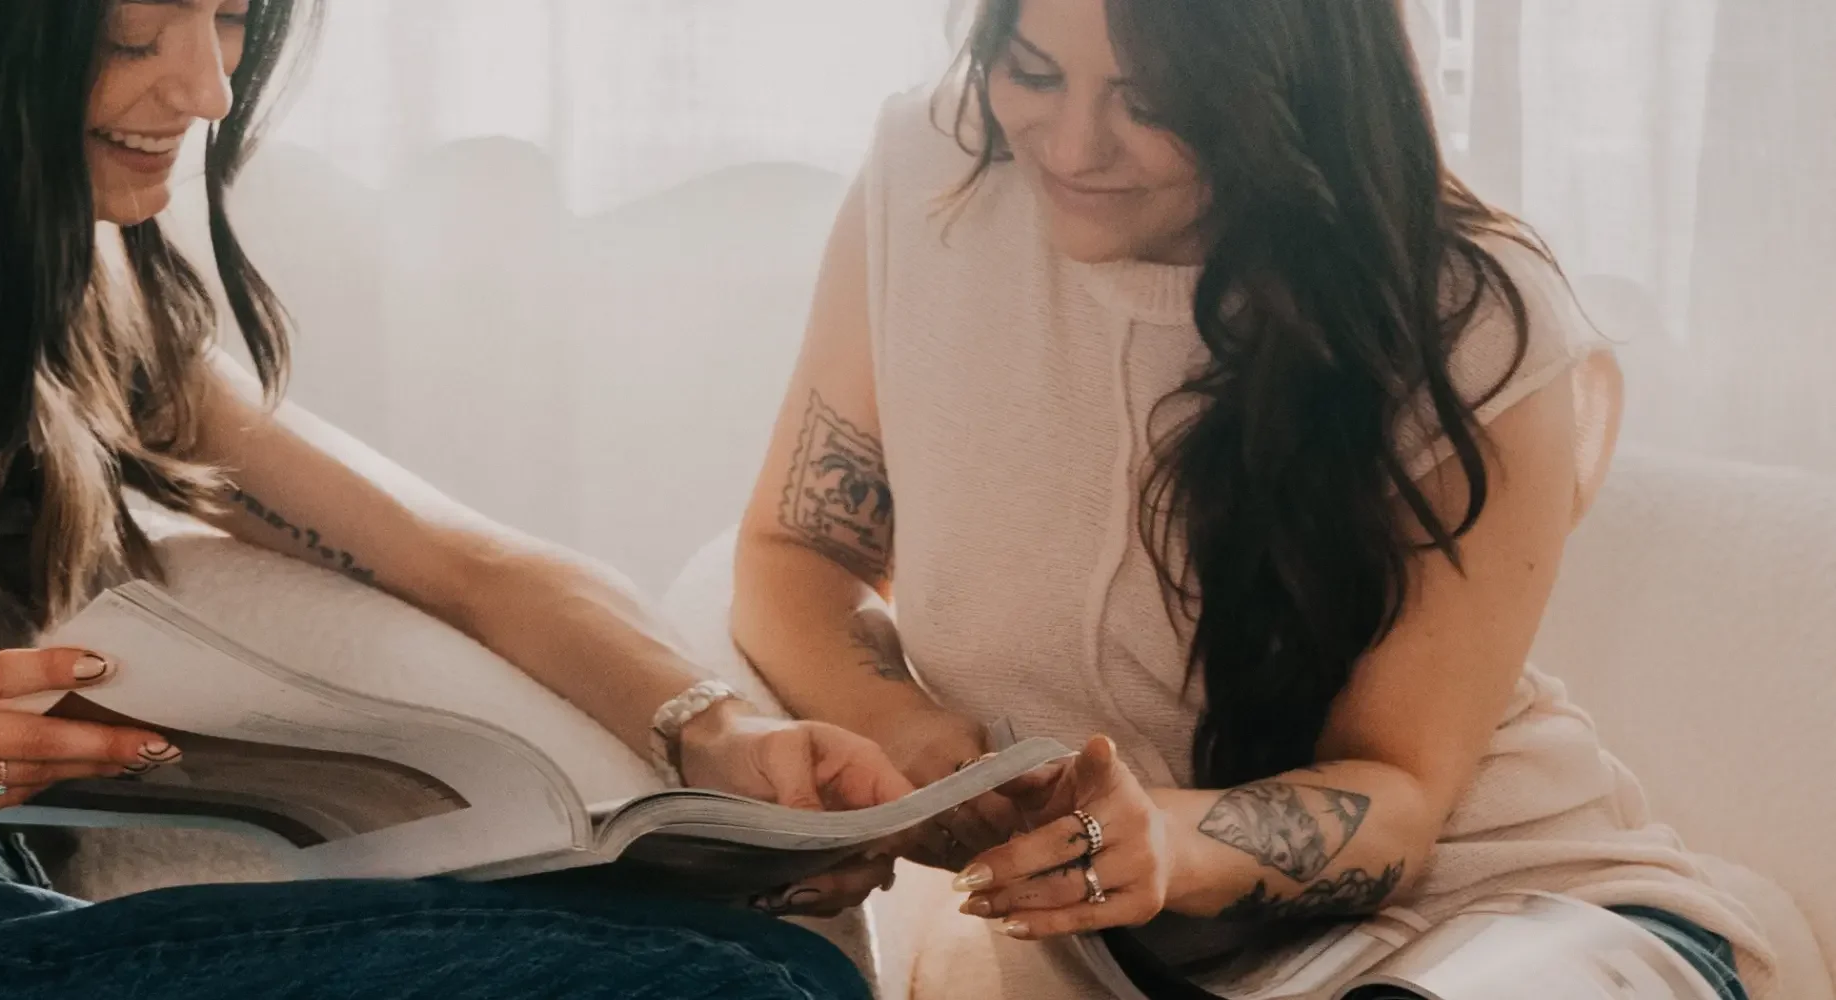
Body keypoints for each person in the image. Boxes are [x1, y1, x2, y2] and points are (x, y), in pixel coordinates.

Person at [0, 2, 914, 997]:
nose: (202, 87)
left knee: (765, 959)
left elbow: (460, 561)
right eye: (140, 25)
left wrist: (717, 735)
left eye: (230, 17)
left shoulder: (71, 267)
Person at [730, 0, 1773, 997]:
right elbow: (796, 553)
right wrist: (901, 727)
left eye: (1152, 102)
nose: (1072, 142)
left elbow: (1401, 796)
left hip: (1514, 917)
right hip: (1140, 964)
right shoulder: (933, 174)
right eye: (1032, 71)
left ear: (1287, 90)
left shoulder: (1469, 323)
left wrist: (1166, 843)